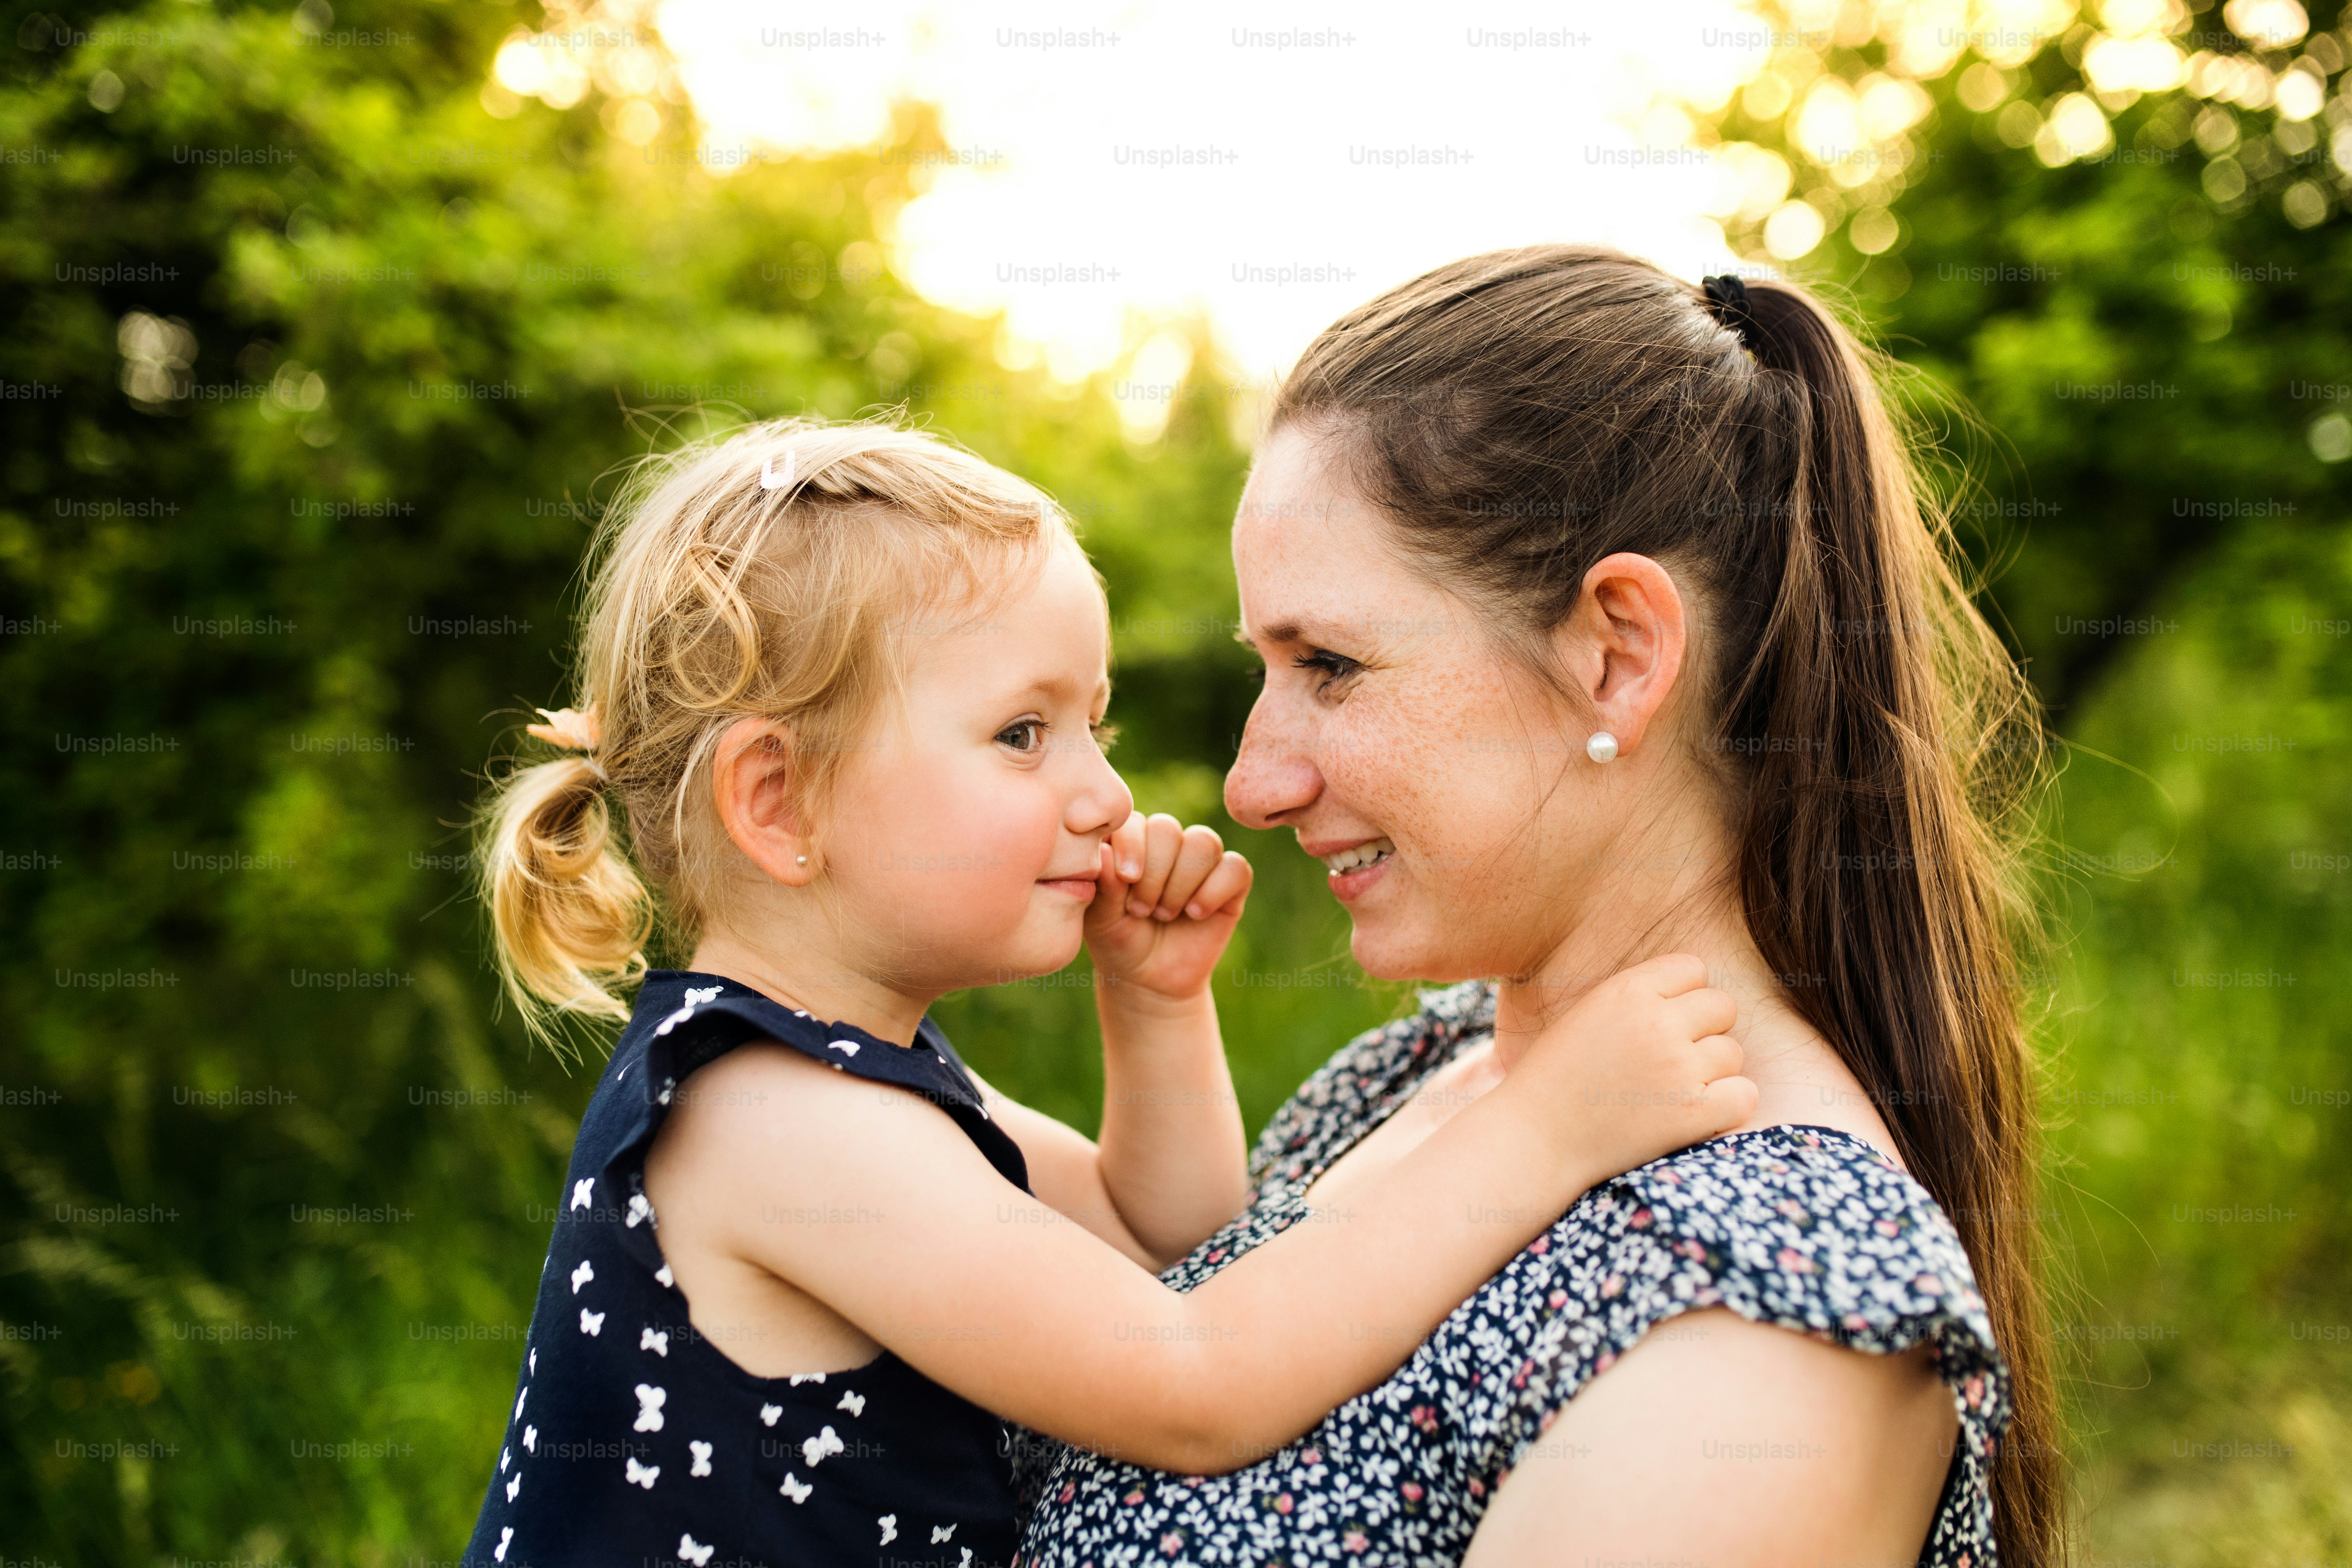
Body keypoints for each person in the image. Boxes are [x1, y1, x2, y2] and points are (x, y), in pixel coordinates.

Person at [456, 416, 1756, 1568]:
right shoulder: (769, 1124)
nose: (1105, 796)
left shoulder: (860, 1078)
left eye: (1098, 726)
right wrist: (1548, 1129)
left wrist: (1156, 1008)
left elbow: (1173, 1245)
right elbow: (1193, 1382)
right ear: (780, 803)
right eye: (1024, 735)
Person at [1016, 248, 2060, 1567]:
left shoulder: (1781, 1317)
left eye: (1330, 665)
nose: (1251, 783)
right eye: (1268, 665)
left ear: (1618, 656)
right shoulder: (1422, 1068)